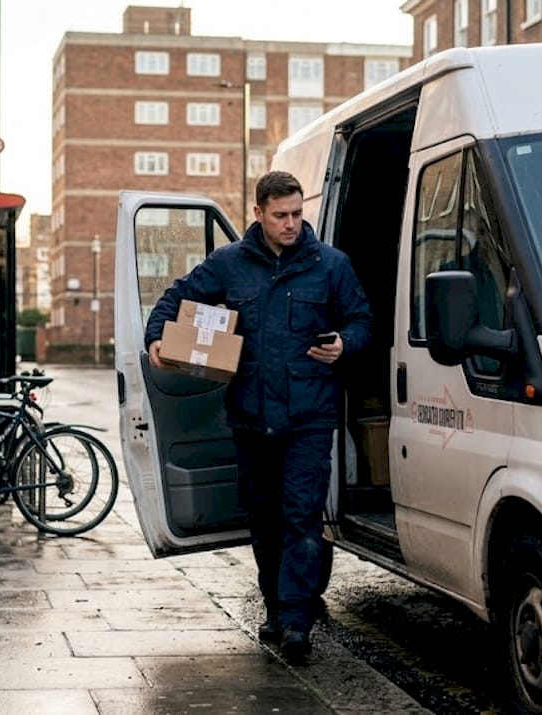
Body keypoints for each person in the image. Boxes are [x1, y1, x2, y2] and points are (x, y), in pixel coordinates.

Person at [144, 171, 372, 665]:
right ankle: (275, 607)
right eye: (280, 216)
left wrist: (345, 344)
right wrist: (157, 338)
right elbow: (174, 299)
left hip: (309, 418)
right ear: (258, 214)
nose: (291, 224)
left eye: (297, 214)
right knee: (265, 522)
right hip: (250, 418)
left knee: (302, 518)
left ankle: (295, 622)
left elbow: (362, 322)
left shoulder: (330, 265)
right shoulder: (229, 265)